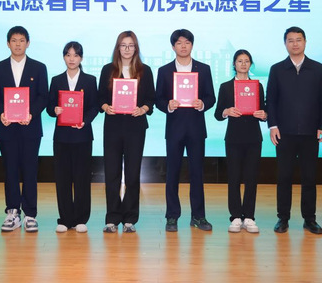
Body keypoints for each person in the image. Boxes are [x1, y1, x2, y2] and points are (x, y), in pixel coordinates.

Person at [266, 26, 322, 235]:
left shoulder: (318, 69)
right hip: (284, 133)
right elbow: (271, 100)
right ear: (285, 44)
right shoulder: (277, 69)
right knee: (284, 177)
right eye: (290, 40)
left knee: (309, 178)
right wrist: (273, 126)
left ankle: (309, 219)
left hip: (310, 133)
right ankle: (283, 218)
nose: (295, 44)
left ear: (305, 42)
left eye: (298, 40)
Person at [0, 26, 48, 233]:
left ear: (28, 43)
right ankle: (12, 212)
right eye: (14, 40)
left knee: (30, 170)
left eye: (22, 40)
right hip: (6, 128)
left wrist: (31, 113)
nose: (18, 44)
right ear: (8, 44)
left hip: (30, 127)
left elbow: (43, 96)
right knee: (10, 170)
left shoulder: (38, 68)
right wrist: (1, 113)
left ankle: (30, 214)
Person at [155, 29, 216, 232]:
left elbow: (211, 97)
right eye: (179, 43)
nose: (183, 46)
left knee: (197, 173)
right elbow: (158, 99)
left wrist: (202, 104)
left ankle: (198, 216)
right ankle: (172, 216)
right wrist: (168, 105)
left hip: (196, 129)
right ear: (173, 46)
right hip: (174, 129)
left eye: (187, 42)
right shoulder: (164, 71)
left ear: (192, 45)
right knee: (172, 173)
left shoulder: (203, 69)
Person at [98, 31, 155, 234]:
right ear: (118, 48)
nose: (127, 49)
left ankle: (130, 218)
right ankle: (112, 217)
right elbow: (100, 97)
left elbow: (151, 99)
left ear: (136, 48)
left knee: (132, 173)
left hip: (135, 128)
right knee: (112, 173)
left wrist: (143, 109)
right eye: (123, 45)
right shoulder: (108, 70)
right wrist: (105, 106)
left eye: (131, 45)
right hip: (113, 127)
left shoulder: (145, 71)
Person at [46, 41, 99, 233]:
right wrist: (55, 110)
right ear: (63, 57)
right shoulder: (56, 80)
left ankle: (81, 218)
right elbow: (49, 107)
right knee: (63, 178)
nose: (72, 59)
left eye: (76, 55)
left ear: (81, 58)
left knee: (82, 178)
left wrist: (85, 120)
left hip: (82, 135)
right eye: (68, 55)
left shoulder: (90, 80)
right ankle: (65, 219)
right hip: (62, 137)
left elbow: (94, 107)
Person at [214, 50, 267, 233]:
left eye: (246, 61)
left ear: (250, 64)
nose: (243, 64)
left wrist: (264, 115)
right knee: (234, 177)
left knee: (251, 178)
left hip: (253, 138)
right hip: (234, 138)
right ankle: (236, 216)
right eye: (239, 61)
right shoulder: (226, 87)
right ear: (234, 64)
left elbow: (265, 110)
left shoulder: (257, 86)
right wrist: (226, 111)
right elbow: (217, 114)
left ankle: (249, 217)